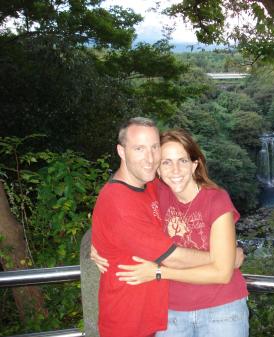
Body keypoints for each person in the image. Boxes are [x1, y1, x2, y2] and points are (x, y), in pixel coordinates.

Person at [93, 128, 249, 337]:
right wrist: (98, 244)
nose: (175, 170)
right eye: (166, 162)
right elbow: (117, 207)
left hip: (221, 309)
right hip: (172, 313)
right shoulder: (156, 191)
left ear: (195, 164)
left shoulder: (216, 199)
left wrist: (159, 272)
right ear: (158, 169)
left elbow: (221, 274)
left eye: (182, 161)